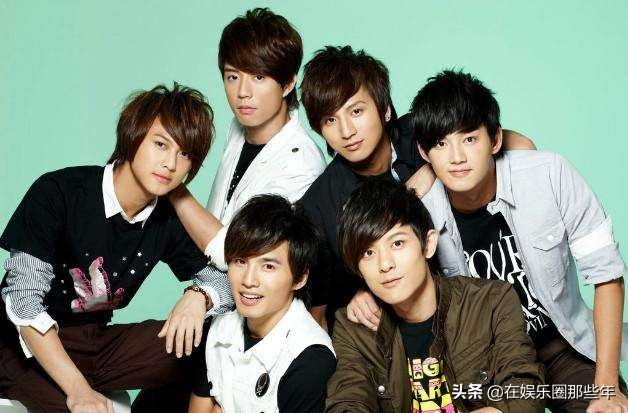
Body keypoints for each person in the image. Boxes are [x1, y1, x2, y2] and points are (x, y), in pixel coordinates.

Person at [0, 84, 233, 413]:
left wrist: (199, 295)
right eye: (161, 144)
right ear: (133, 135)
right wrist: (79, 391)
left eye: (185, 154)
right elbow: (22, 303)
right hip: (23, 348)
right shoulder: (60, 192)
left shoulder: (166, 218)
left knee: (214, 339)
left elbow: (229, 280)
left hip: (97, 344)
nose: (170, 163)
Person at [410, 70, 628, 412]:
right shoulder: (419, 215)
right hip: (488, 367)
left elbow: (607, 275)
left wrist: (606, 388)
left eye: (470, 139)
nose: (456, 157)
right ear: (424, 152)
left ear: (495, 140)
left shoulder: (548, 175)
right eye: (441, 144)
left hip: (564, 347)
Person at [298, 45, 535, 331]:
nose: (346, 131)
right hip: (405, 330)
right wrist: (356, 295)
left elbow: (521, 145)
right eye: (330, 120)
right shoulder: (319, 206)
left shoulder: (423, 132)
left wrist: (434, 167)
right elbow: (318, 311)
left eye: (356, 111)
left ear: (385, 110)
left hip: (488, 295)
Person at [327, 179, 544, 412]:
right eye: (368, 253)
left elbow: (524, 392)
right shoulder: (353, 329)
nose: (385, 264)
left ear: (428, 244)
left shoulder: (491, 301)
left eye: (397, 243)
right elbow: (348, 398)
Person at [168, 8, 325, 273]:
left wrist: (174, 189)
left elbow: (235, 254)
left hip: (255, 292)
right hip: (210, 282)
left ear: (288, 84)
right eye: (233, 77)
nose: (242, 92)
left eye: (258, 77)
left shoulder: (302, 164)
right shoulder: (238, 126)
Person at [189, 195, 336, 413]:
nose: (249, 280)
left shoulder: (309, 360)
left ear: (299, 278)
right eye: (240, 261)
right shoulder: (218, 328)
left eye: (268, 266)